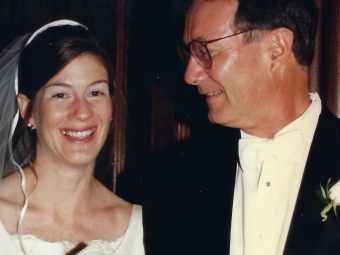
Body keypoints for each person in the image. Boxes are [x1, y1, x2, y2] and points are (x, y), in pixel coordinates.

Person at [142, 0, 340, 254]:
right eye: (189, 54)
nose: (190, 75)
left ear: (276, 49)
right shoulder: (171, 182)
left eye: (206, 51)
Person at [0, 20, 144, 255]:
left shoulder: (140, 228)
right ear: (28, 111)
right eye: (61, 94)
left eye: (95, 92)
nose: (82, 111)